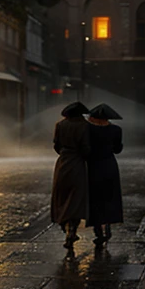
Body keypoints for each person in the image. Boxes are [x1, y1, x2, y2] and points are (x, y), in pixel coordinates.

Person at [51, 101, 90, 249]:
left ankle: (63, 224)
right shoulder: (84, 126)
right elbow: (86, 147)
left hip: (62, 163)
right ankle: (72, 229)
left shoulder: (60, 125)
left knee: (61, 196)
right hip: (77, 163)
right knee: (76, 198)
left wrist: (64, 154)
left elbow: (56, 145)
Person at [86, 103, 123, 246]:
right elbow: (117, 149)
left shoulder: (88, 129)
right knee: (109, 197)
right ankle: (107, 225)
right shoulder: (116, 130)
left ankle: (98, 231)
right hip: (109, 165)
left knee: (95, 198)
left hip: (93, 166)